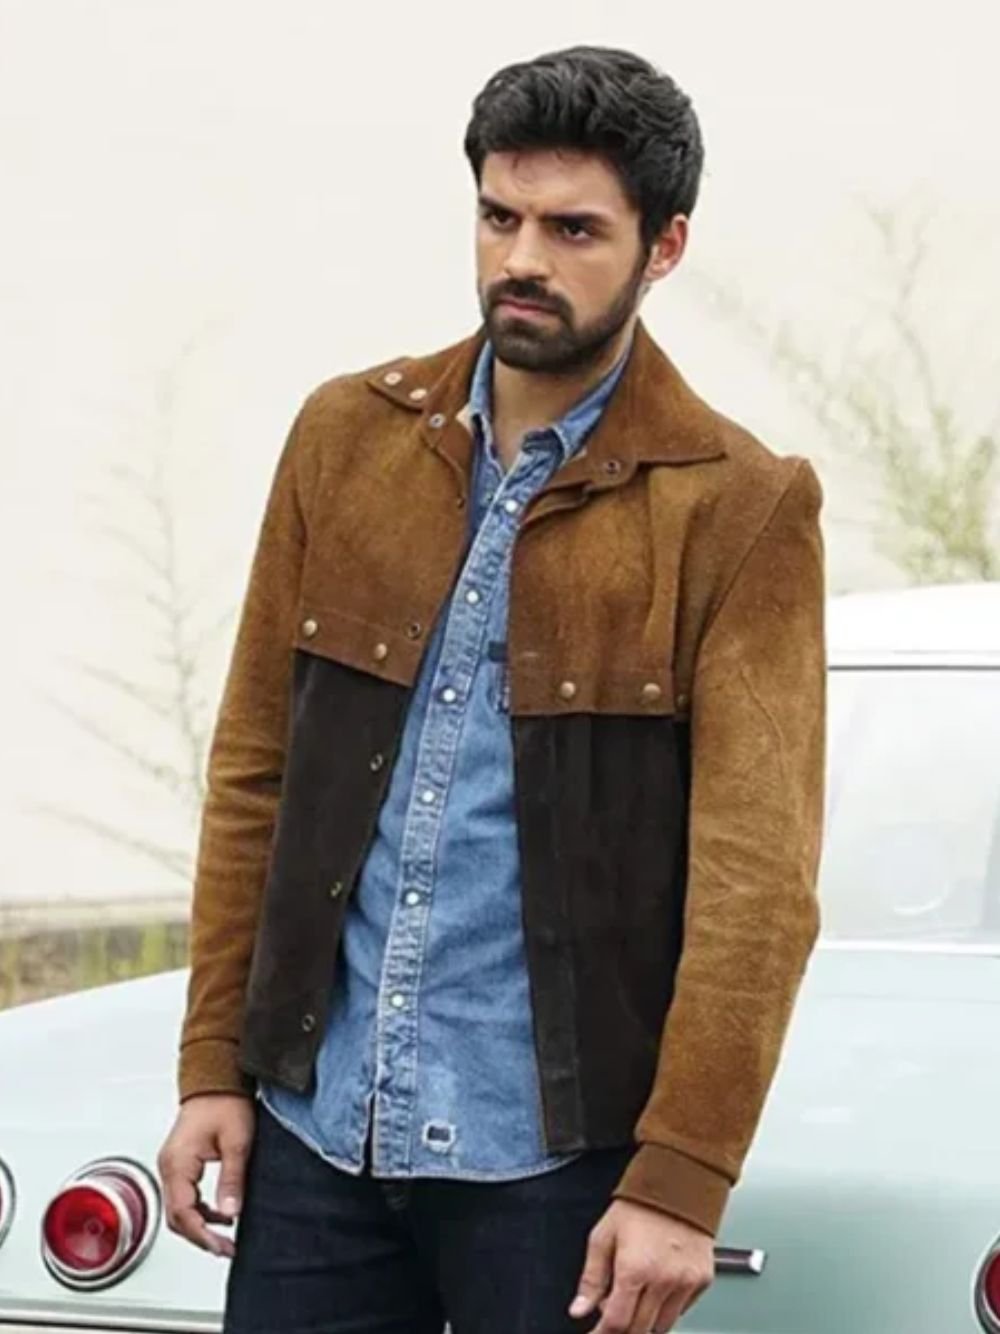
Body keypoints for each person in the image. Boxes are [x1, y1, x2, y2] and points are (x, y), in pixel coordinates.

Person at [156, 43, 826, 1334]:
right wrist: (212, 1068)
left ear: (665, 247)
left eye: (574, 229)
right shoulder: (345, 438)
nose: (523, 257)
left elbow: (758, 886)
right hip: (316, 1138)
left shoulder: (737, 508)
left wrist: (682, 1179)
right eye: (499, 216)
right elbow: (254, 775)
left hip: (556, 1170)